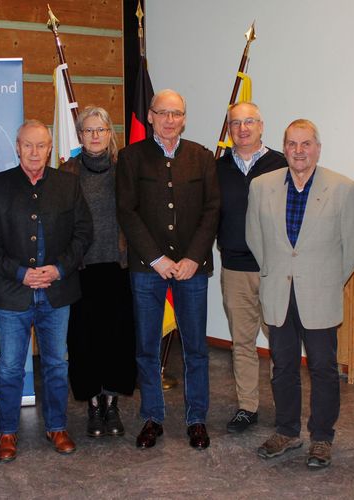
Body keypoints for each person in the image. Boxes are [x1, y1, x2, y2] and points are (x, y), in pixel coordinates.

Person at [246, 119, 354, 469]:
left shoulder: (342, 188)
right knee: (282, 366)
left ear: (318, 147)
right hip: (277, 292)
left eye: (306, 144)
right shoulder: (261, 186)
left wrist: (329, 279)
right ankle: (287, 431)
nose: (299, 151)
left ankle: (322, 438)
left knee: (324, 368)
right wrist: (275, 271)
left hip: (320, 294)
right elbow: (255, 238)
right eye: (293, 144)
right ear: (284, 148)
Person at [0, 120, 93, 462]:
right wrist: (20, 273)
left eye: (41, 145)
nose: (34, 152)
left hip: (57, 292)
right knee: (10, 366)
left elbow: (83, 234)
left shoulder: (68, 185)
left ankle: (57, 427)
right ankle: (8, 432)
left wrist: (59, 269)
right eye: (28, 145)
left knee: (57, 364)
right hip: (13, 292)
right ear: (17, 146)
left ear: (50, 147)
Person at [116, 89, 220, 450]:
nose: (170, 120)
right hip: (148, 269)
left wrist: (193, 257)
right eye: (163, 113)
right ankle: (152, 417)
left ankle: (197, 419)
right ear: (150, 116)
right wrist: (156, 259)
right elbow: (127, 212)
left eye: (177, 113)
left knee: (196, 349)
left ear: (185, 118)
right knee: (146, 348)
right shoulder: (130, 158)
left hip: (193, 268)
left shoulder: (202, 157)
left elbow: (212, 211)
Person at [60, 106, 136, 438]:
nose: (94, 136)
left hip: (119, 267)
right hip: (81, 269)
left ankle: (112, 405)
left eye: (100, 130)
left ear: (110, 135)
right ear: (79, 136)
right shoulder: (66, 173)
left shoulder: (125, 172)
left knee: (117, 340)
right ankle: (93, 407)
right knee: (84, 342)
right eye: (88, 130)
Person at [216, 102, 287, 433]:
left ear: (261, 126)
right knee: (242, 342)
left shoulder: (281, 165)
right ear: (229, 130)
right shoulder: (218, 168)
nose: (242, 129)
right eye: (235, 124)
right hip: (234, 268)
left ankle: (285, 406)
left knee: (281, 341)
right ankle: (247, 407)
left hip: (273, 269)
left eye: (249, 122)